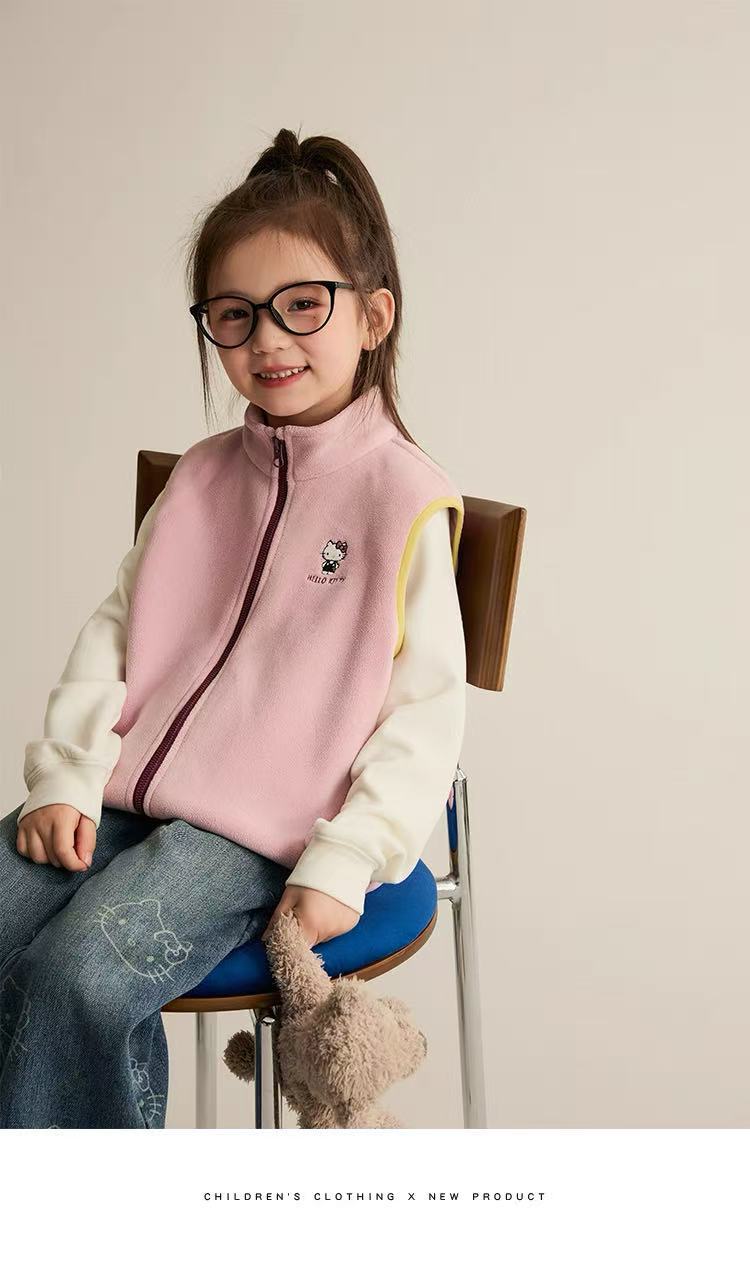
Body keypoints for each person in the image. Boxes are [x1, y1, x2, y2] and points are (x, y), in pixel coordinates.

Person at [0, 127, 467, 1129]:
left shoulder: (405, 501)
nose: (267, 339)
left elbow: (424, 719)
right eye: (234, 314)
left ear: (373, 314)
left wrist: (347, 859)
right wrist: (67, 772)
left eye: (303, 304)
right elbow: (117, 630)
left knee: (77, 979)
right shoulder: (202, 478)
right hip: (123, 788)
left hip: (264, 833)